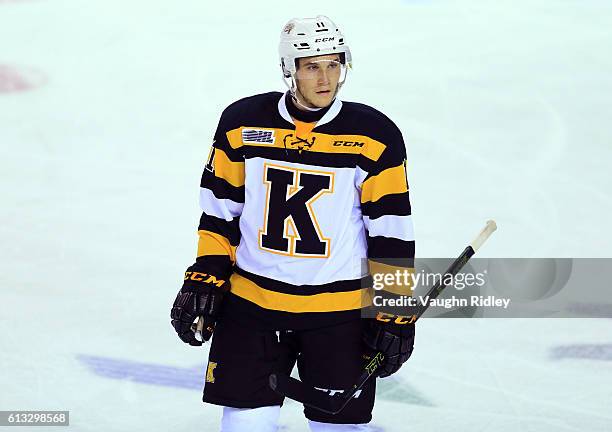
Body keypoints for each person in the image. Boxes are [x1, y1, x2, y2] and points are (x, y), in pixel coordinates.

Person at [171, 15, 416, 432]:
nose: (326, 78)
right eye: (311, 66)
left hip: (338, 315)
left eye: (334, 64)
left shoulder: (373, 135)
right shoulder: (242, 124)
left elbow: (391, 234)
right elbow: (219, 213)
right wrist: (205, 276)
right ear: (290, 69)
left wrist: (393, 311)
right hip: (253, 307)